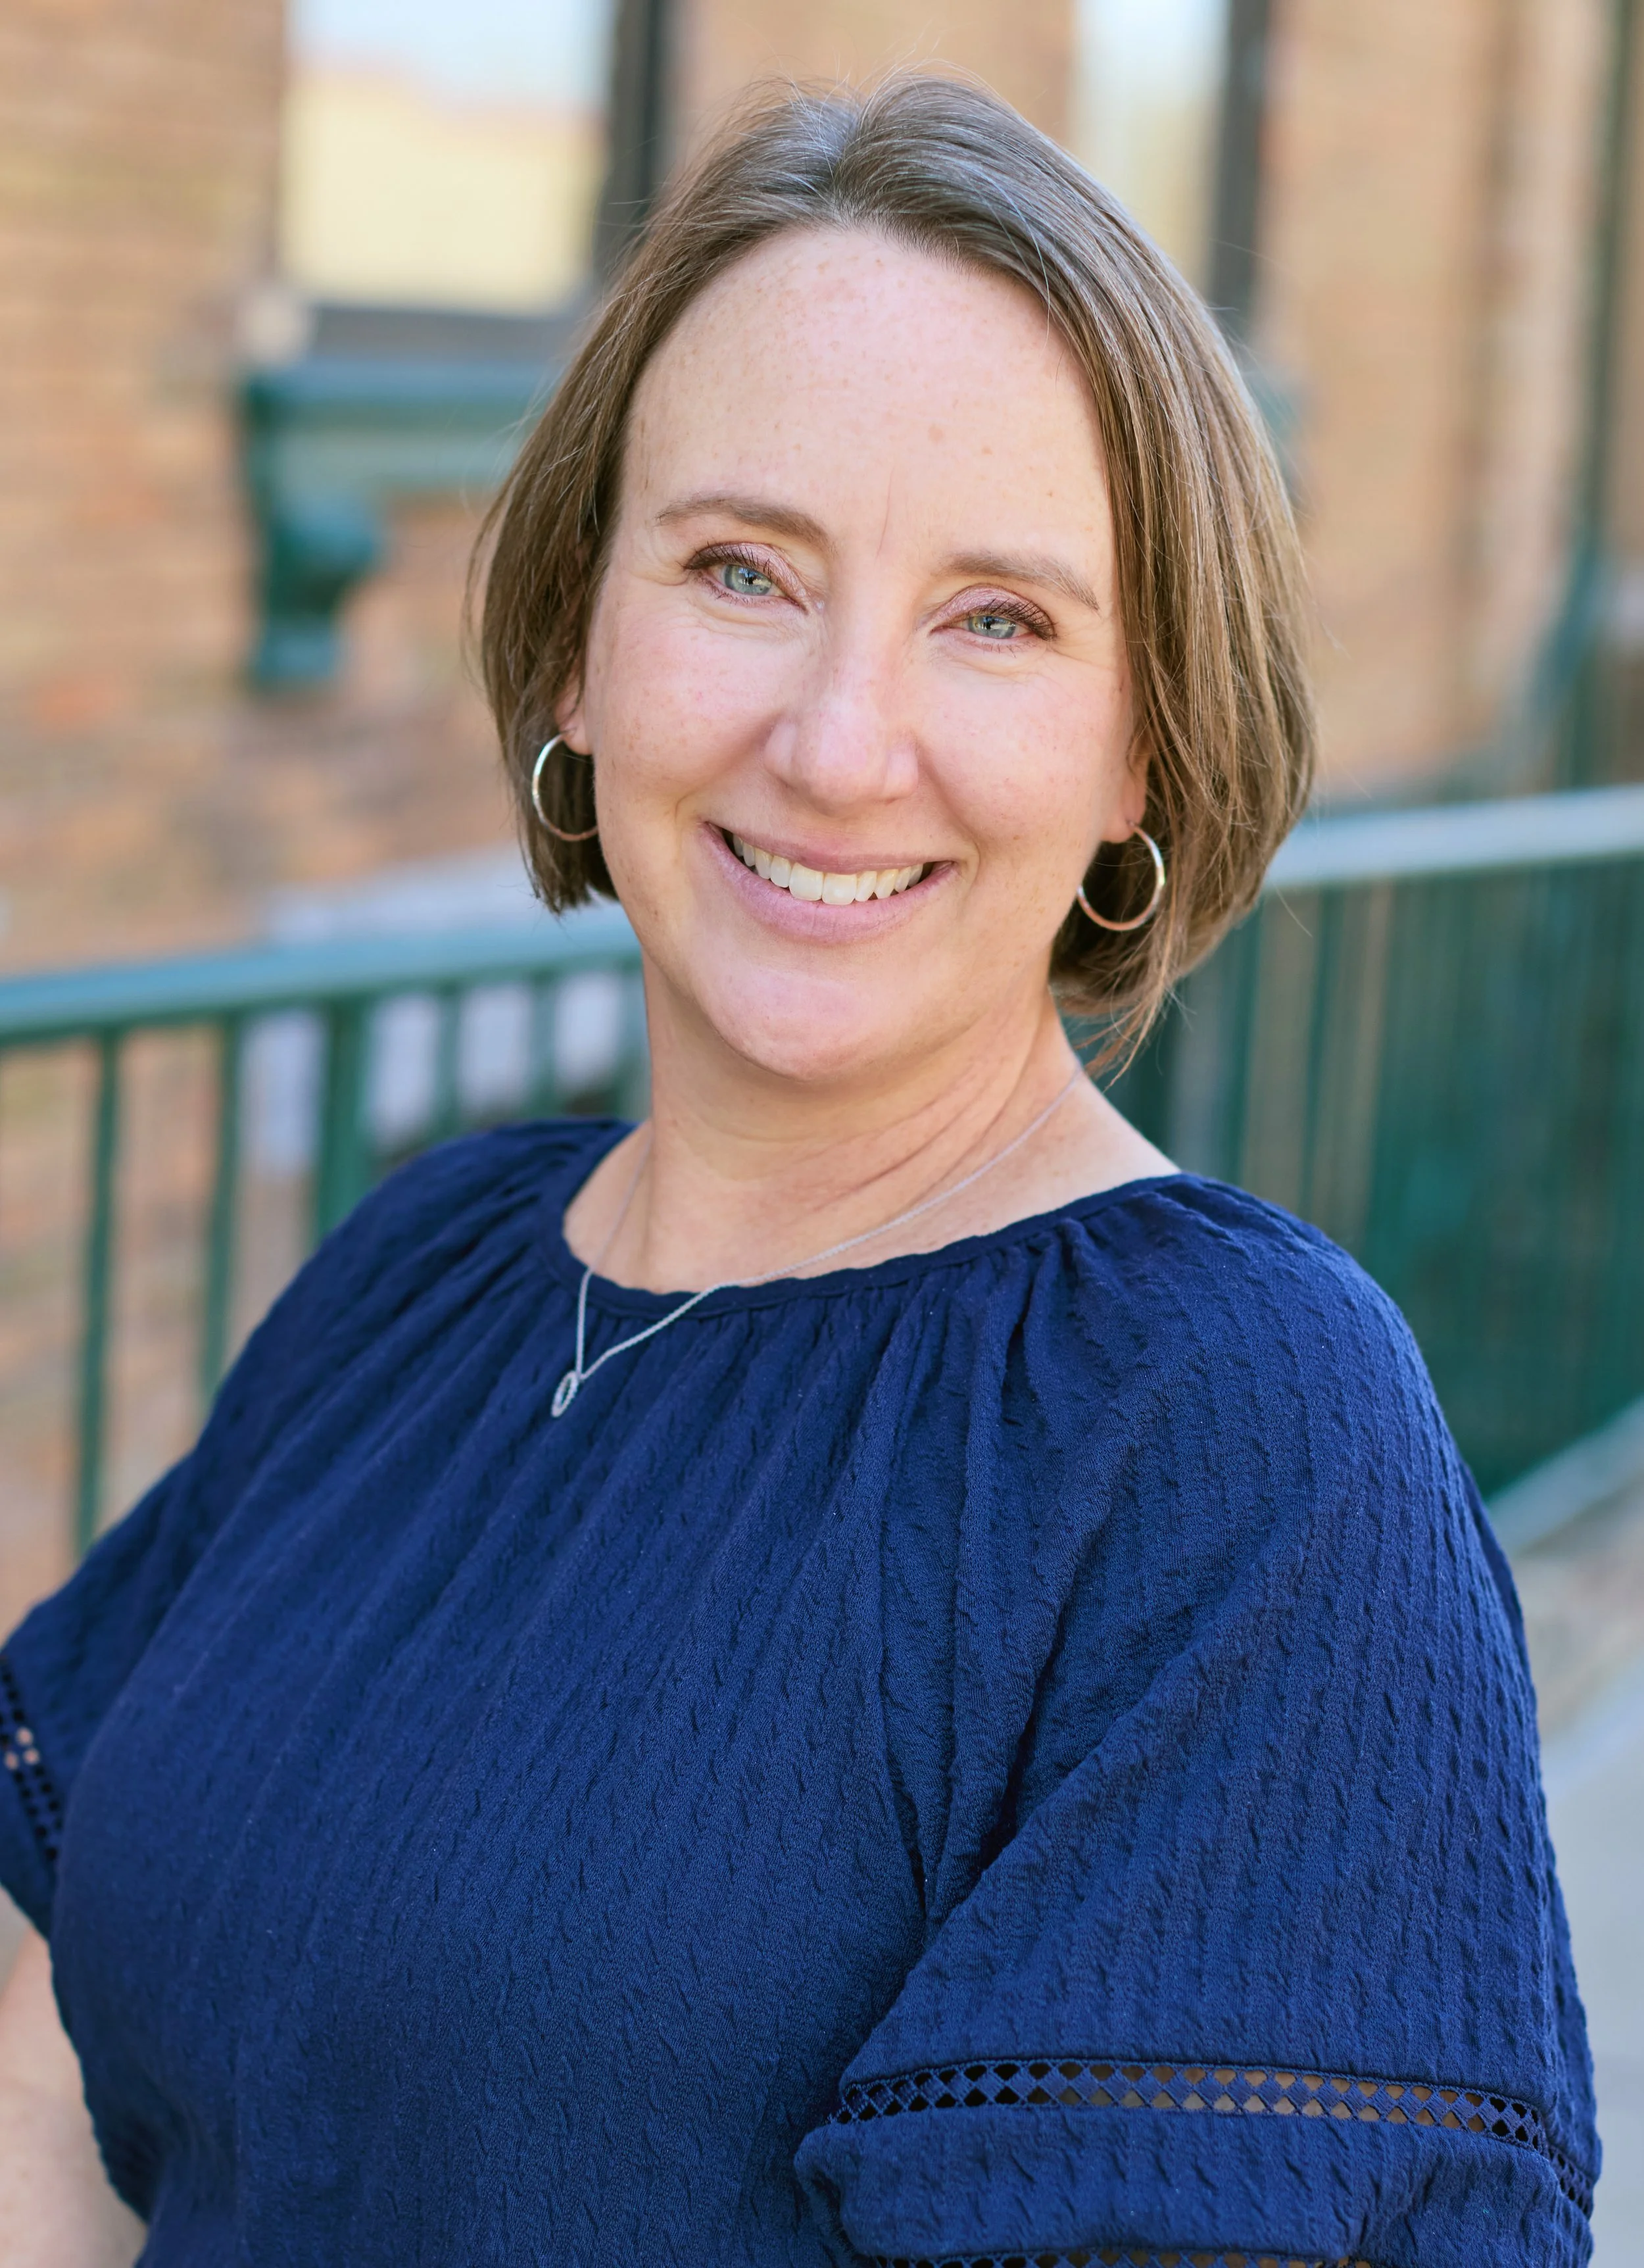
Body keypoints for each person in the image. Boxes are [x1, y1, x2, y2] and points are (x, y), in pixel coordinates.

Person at [0, 73, 1595, 2268]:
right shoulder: (424, 1265)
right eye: (740, 571)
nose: (839, 745)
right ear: (579, 640)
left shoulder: (1237, 1435)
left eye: (998, 617)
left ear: (1143, 749)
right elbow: (53, 2065)